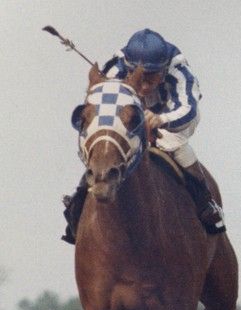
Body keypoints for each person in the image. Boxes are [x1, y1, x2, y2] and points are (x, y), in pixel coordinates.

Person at [61, 28, 225, 244]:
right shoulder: (116, 68)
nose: (145, 85)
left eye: (152, 77)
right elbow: (101, 105)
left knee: (173, 142)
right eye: (140, 77)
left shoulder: (181, 74)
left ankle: (205, 201)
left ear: (163, 69)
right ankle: (80, 198)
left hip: (173, 117)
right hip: (130, 115)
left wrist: (161, 120)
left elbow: (189, 111)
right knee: (107, 145)